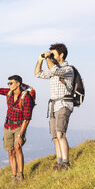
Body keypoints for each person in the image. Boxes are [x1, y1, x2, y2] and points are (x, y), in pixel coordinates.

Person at [34, 43, 74, 171]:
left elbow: (55, 71)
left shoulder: (68, 69)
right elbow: (38, 74)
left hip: (63, 103)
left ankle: (66, 163)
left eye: (53, 54)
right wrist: (40, 60)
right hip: (53, 105)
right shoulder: (53, 69)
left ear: (61, 55)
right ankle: (59, 162)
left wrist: (47, 58)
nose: (51, 57)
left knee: (60, 133)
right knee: (55, 136)